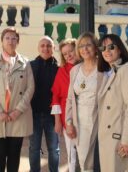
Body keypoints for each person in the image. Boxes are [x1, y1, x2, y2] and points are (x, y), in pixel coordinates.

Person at [0, 27, 35, 172]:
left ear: (18, 42)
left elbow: (30, 89)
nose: (10, 41)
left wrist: (18, 111)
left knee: (14, 155)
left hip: (18, 116)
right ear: (2, 41)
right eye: (7, 38)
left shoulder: (25, 62)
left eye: (14, 38)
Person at [97, 34, 128, 172]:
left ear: (120, 49)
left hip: (120, 139)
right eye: (102, 47)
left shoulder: (127, 70)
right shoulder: (113, 71)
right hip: (110, 138)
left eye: (111, 47)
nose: (107, 51)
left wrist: (127, 141)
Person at [65, 32, 103, 172]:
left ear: (95, 46)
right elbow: (70, 99)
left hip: (100, 120)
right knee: (85, 162)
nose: (85, 49)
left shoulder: (104, 68)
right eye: (81, 46)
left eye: (88, 45)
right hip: (79, 123)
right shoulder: (75, 70)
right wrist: (69, 123)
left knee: (102, 162)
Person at [29, 36, 60, 172]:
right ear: (38, 48)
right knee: (34, 148)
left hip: (52, 116)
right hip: (34, 115)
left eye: (48, 46)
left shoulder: (59, 69)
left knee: (54, 149)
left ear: (53, 49)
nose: (45, 48)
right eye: (42, 45)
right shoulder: (30, 66)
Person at [51, 38, 80, 172]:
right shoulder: (62, 71)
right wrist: (57, 121)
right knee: (71, 153)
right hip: (67, 117)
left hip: (86, 115)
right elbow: (55, 97)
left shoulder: (87, 66)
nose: (68, 55)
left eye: (71, 51)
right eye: (65, 53)